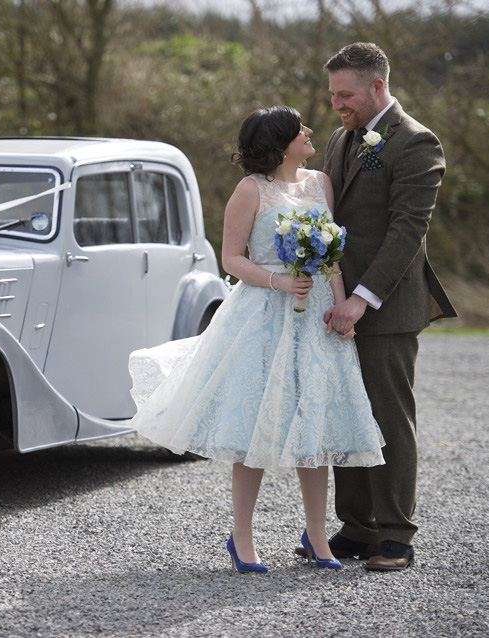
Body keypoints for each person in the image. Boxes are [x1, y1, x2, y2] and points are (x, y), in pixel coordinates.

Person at [127, 105, 385, 573]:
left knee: (317, 424)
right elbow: (230, 259)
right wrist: (278, 281)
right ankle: (241, 539)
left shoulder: (321, 183)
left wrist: (341, 309)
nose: (309, 132)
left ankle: (318, 536)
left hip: (316, 317)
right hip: (264, 314)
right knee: (253, 427)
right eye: (298, 129)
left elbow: (334, 259)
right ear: (279, 142)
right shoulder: (251, 190)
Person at [313, 42, 457, 572]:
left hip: (387, 307)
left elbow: (406, 233)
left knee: (388, 418)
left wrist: (361, 298)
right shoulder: (338, 138)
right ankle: (356, 526)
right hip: (335, 306)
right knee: (345, 415)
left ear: (378, 87)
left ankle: (396, 533)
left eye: (345, 94)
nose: (337, 105)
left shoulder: (417, 143)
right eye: (332, 95)